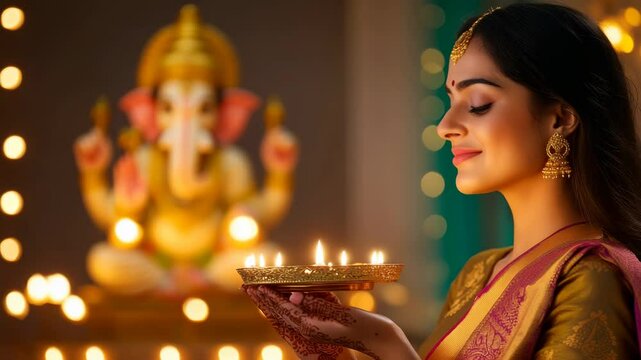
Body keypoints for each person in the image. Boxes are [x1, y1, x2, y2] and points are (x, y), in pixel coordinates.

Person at [243, 3, 641, 359]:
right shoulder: (480, 271)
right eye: (451, 102)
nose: (445, 127)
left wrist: (386, 343)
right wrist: (336, 349)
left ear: (560, 118)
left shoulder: (593, 277)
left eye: (479, 104)